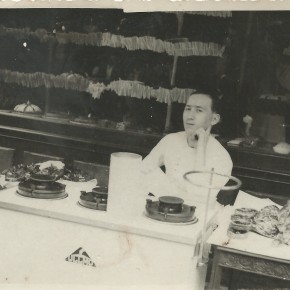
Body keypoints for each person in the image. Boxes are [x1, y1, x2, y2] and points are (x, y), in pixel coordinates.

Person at [141, 90, 233, 201]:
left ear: (214, 119)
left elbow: (199, 198)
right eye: (188, 109)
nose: (190, 116)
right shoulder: (170, 140)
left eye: (199, 110)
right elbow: (143, 170)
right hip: (163, 207)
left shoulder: (222, 157)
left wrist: (201, 148)